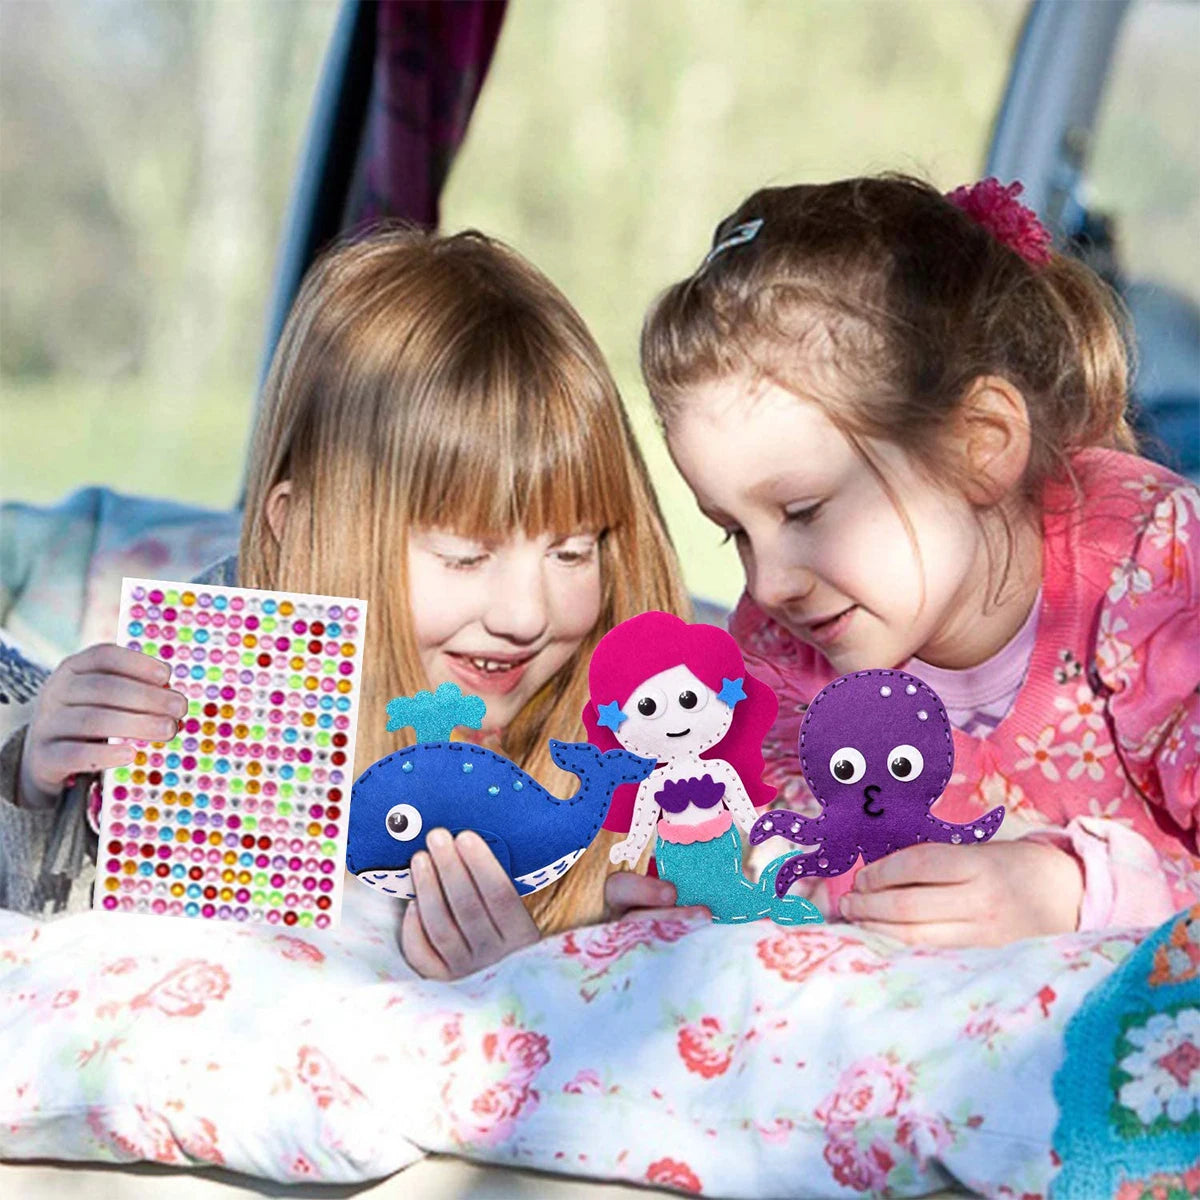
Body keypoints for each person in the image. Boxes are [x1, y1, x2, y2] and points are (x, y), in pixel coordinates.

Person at [0, 227, 691, 977]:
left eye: (573, 552)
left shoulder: (648, 744)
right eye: (464, 556)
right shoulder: (209, 686)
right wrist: (38, 789)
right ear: (301, 528)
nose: (526, 615)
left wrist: (541, 986)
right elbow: (84, 990)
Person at [610, 174, 1199, 945]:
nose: (769, 583)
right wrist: (714, 888)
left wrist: (1086, 896)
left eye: (804, 511)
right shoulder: (783, 649)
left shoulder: (1154, 570)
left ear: (980, 445)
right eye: (735, 532)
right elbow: (792, 862)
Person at [583, 610, 821, 924]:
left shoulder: (733, 773)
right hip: (676, 861)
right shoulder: (655, 781)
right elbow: (641, 820)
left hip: (725, 856)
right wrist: (631, 846)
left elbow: (749, 815)